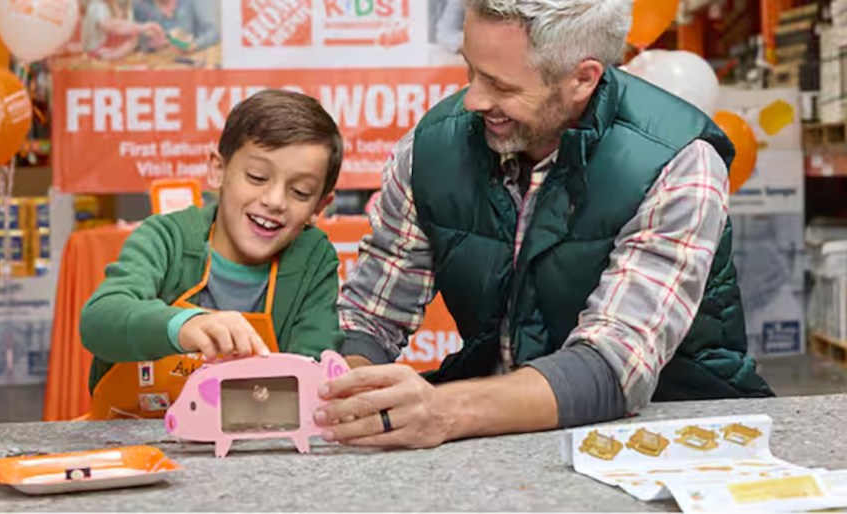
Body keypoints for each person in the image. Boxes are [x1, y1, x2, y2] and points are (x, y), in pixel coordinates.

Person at [314, 0, 773, 449]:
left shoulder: (678, 162)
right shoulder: (430, 149)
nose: (473, 99)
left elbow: (613, 366)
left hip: (678, 436)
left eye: (501, 85)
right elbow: (371, 317)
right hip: (500, 432)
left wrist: (443, 409)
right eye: (470, 69)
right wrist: (351, 387)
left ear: (582, 79)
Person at [80, 89, 344, 420]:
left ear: (319, 206)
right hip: (134, 440)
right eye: (257, 177)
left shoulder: (314, 259)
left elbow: (314, 375)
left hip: (257, 448)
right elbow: (99, 319)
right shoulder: (167, 238)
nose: (275, 200)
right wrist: (184, 327)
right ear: (218, 170)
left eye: (300, 192)